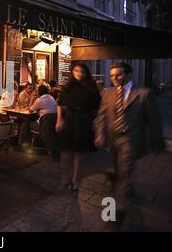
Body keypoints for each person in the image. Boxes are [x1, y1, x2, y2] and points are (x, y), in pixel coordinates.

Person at [94, 62, 165, 223]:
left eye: (118, 74)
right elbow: (101, 116)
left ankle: (114, 212)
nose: (114, 78)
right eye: (111, 76)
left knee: (123, 173)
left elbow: (154, 120)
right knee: (118, 170)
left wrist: (157, 142)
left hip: (131, 139)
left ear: (128, 75)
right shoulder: (108, 93)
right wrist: (99, 133)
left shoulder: (143, 94)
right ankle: (125, 187)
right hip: (113, 140)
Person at [56, 63, 101, 192]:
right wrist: (59, 119)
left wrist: (95, 124)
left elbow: (97, 107)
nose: (79, 74)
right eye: (76, 71)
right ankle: (65, 178)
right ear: (72, 72)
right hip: (68, 118)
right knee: (65, 150)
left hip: (84, 119)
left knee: (79, 151)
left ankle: (76, 179)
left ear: (86, 73)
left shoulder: (91, 87)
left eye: (82, 71)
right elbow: (60, 103)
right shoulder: (68, 86)